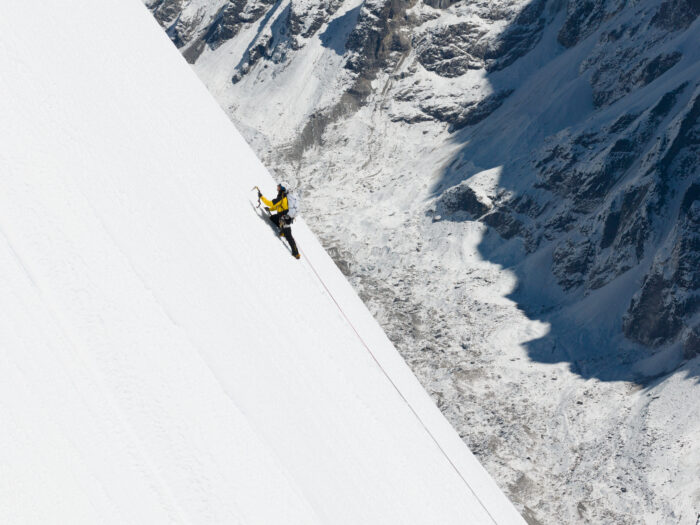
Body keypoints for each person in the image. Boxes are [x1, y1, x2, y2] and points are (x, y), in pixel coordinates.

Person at [258, 183, 300, 259]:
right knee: (272, 218)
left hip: (285, 219)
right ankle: (282, 231)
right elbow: (278, 206)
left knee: (289, 237)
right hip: (282, 216)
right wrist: (270, 209)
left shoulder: (282, 197)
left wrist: (261, 196)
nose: (277, 188)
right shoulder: (284, 196)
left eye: (279, 187)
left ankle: (296, 253)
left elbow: (270, 203)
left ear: (283, 188)